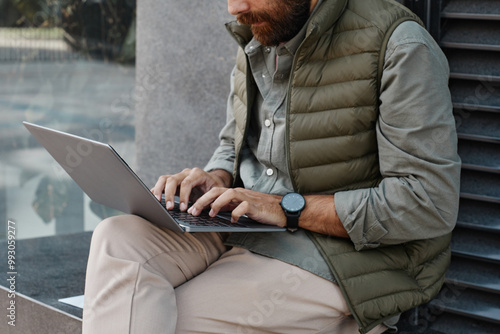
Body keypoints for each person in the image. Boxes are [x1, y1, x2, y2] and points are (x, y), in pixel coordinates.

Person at [82, 0, 461, 333]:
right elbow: (235, 142)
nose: (235, 8)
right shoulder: (262, 28)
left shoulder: (400, 44)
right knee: (116, 239)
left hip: (344, 258)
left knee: (165, 315)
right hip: (245, 226)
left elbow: (428, 202)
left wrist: (286, 209)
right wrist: (214, 177)